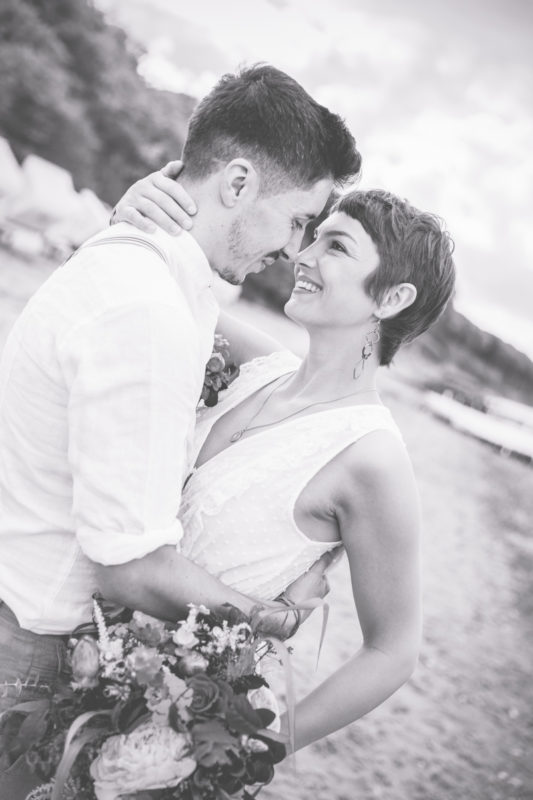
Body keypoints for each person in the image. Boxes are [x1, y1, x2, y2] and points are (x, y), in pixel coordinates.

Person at [0, 65, 361, 794]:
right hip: (22, 648)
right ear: (234, 184)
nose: (294, 253)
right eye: (297, 222)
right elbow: (127, 566)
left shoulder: (144, 270)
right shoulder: (149, 310)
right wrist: (273, 618)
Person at [110, 179, 456, 750]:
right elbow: (142, 280)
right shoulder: (259, 364)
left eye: (336, 247)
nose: (303, 255)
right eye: (312, 237)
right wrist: (132, 207)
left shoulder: (372, 458)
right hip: (70, 644)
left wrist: (265, 744)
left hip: (167, 719)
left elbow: (393, 651)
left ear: (391, 298)